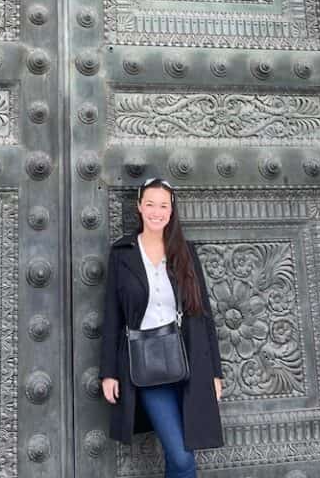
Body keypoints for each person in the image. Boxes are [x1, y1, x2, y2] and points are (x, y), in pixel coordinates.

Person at [100, 177, 223, 478]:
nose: (157, 211)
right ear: (139, 207)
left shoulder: (185, 253)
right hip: (146, 366)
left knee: (178, 454)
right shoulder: (123, 253)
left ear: (172, 210)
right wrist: (109, 373)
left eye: (164, 205)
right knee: (182, 458)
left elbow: (203, 314)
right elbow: (113, 316)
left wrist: (216, 372)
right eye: (150, 204)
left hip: (190, 362)